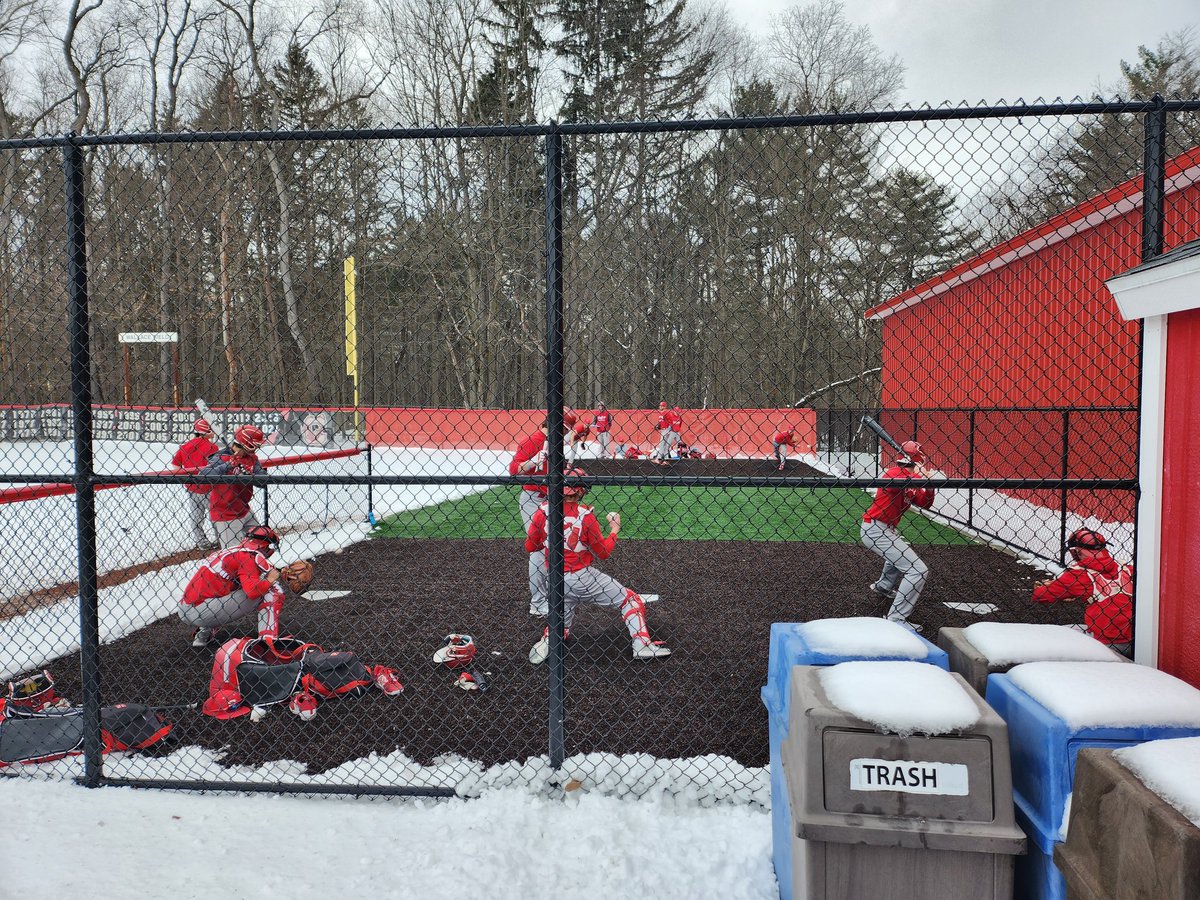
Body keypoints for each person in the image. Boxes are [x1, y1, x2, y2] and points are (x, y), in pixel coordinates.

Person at [525, 468, 671, 662]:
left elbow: (530, 546)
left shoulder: (542, 511)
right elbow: (603, 552)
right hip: (582, 576)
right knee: (631, 600)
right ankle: (641, 644)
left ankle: (552, 636)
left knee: (563, 615)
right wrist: (614, 530)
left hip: (555, 578)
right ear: (579, 491)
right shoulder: (584, 516)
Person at [861, 440, 936, 632]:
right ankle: (896, 619)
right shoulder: (894, 473)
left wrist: (929, 486)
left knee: (898, 555)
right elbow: (897, 481)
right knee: (918, 570)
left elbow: (924, 503)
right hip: (875, 529)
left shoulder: (911, 478)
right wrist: (921, 477)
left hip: (886, 529)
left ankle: (883, 586)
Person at [509, 410, 577, 616]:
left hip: (551, 500)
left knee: (555, 546)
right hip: (533, 499)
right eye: (566, 430)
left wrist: (572, 447)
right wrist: (532, 461)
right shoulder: (533, 440)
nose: (566, 434)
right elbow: (514, 469)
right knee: (539, 550)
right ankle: (538, 602)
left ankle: (551, 595)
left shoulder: (555, 441)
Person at [178, 525, 286, 648]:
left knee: (234, 585)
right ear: (265, 546)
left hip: (185, 609)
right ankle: (267, 641)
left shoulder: (231, 551)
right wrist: (271, 579)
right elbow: (252, 592)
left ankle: (203, 634)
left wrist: (280, 572)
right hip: (203, 610)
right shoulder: (248, 557)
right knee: (272, 589)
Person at [1032, 528, 1133, 654]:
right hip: (1137, 640)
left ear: (1078, 552)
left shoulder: (1079, 574)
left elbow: (1041, 596)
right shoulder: (1126, 568)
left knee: (1062, 632)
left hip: (1104, 644)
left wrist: (1050, 586)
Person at [199, 424, 267, 548]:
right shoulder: (221, 457)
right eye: (255, 445)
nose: (256, 449)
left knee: (260, 543)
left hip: (244, 509)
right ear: (247, 444)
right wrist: (228, 465)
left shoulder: (252, 458)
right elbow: (203, 475)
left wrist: (251, 474)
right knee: (233, 553)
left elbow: (263, 482)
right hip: (225, 514)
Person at [171, 419, 218, 549]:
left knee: (196, 517)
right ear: (206, 431)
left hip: (192, 486)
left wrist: (188, 479)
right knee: (215, 514)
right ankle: (221, 539)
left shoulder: (186, 446)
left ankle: (202, 542)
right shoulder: (212, 447)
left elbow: (175, 466)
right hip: (209, 487)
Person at [652, 402, 680, 466]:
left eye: (661, 406)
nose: (660, 407)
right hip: (664, 429)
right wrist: (658, 426)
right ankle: (666, 459)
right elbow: (662, 422)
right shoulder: (661, 413)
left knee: (662, 444)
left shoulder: (666, 412)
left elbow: (671, 421)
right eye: (660, 405)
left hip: (667, 429)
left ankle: (658, 458)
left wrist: (670, 429)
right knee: (664, 445)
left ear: (664, 407)